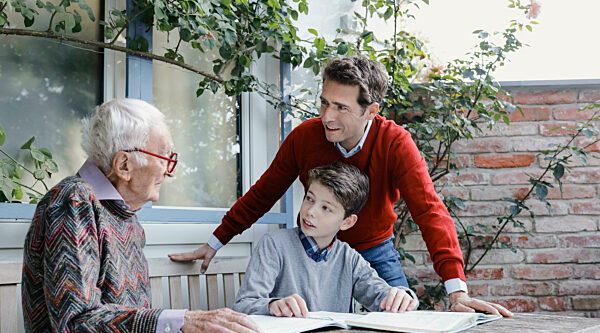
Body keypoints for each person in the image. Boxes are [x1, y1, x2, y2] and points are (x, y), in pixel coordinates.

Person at [170, 55, 513, 317]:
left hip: (373, 249)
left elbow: (429, 211)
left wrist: (457, 293)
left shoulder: (394, 143)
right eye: (324, 102)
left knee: (405, 325)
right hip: (312, 250)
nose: (327, 116)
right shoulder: (305, 137)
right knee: (304, 325)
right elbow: (264, 193)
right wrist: (216, 241)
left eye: (341, 107)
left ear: (371, 111)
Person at [21, 98, 263, 333]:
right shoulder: (74, 202)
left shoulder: (125, 217)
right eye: (164, 157)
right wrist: (185, 321)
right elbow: (74, 323)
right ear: (124, 164)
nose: (169, 171)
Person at [233, 162, 419, 316]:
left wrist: (402, 297)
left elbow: (382, 296)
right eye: (309, 199)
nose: (310, 212)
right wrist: (272, 305)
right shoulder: (274, 244)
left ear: (347, 222)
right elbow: (244, 305)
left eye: (326, 208)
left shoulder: (349, 258)